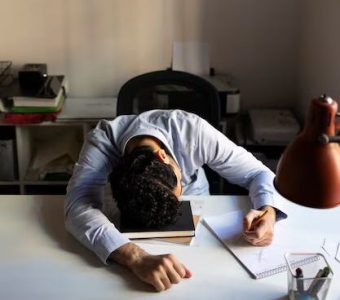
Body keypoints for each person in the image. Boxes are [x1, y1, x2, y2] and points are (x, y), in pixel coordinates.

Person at [64, 109, 287, 292]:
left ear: (163, 157)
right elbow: (78, 205)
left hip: (202, 234)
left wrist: (268, 209)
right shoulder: (102, 142)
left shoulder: (194, 132)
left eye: (178, 189)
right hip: (131, 232)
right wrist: (135, 257)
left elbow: (258, 173)